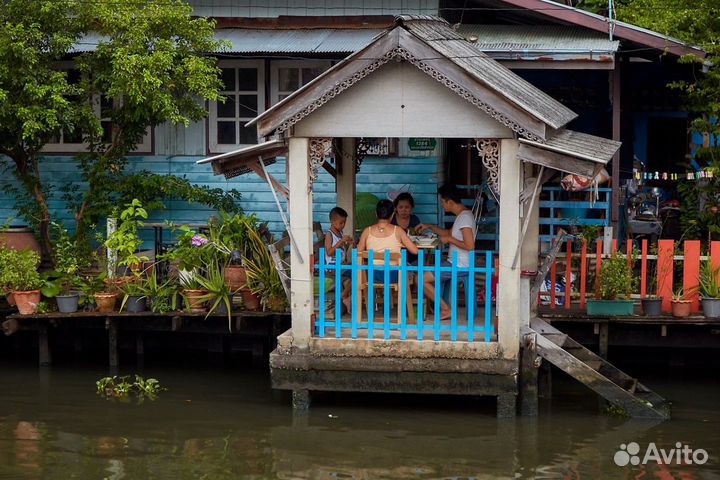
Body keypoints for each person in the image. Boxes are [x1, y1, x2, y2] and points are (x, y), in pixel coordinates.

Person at [416, 184, 476, 319]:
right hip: (454, 263)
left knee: (420, 278)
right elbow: (447, 232)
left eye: (442, 202)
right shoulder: (462, 216)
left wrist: (449, 239)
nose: (442, 205)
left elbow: (470, 246)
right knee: (425, 272)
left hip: (459, 265)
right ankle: (441, 307)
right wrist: (430, 227)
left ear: (450, 201)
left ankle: (446, 309)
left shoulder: (465, 218)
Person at [324, 207, 355, 309]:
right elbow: (329, 252)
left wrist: (348, 244)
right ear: (332, 221)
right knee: (356, 272)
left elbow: (341, 251)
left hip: (340, 265)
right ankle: (345, 295)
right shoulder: (329, 234)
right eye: (341, 223)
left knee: (357, 269)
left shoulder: (340, 233)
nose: (343, 225)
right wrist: (341, 241)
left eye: (344, 223)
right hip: (332, 268)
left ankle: (346, 297)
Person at [391, 192, 421, 264]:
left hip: (413, 257)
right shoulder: (392, 219)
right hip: (395, 257)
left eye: (407, 207)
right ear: (396, 208)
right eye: (400, 207)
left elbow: (419, 237)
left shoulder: (415, 220)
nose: (404, 210)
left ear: (411, 208)